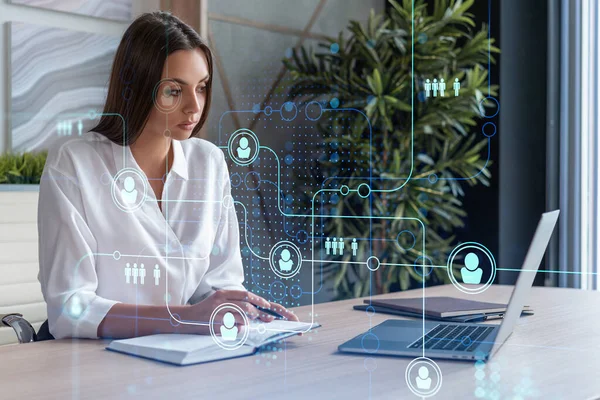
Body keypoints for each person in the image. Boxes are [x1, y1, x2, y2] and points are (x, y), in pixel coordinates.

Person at [37, 11, 298, 341]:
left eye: (201, 88)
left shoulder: (209, 163)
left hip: (182, 356)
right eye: (174, 91)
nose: (194, 107)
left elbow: (219, 286)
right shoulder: (74, 164)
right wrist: (182, 318)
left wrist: (246, 310)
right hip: (98, 363)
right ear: (136, 88)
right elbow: (70, 308)